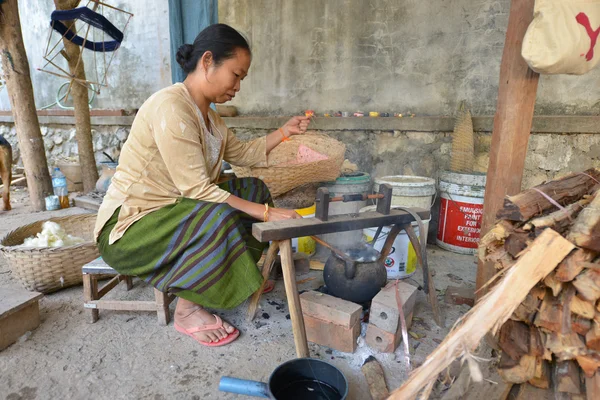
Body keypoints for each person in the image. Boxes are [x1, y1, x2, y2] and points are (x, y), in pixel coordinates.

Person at [94, 24, 310, 347]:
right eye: (235, 75)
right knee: (217, 213)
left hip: (174, 214)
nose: (238, 86)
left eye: (242, 79)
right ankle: (187, 308)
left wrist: (284, 132)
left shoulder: (211, 118)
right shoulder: (171, 107)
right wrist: (267, 214)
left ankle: (237, 273)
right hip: (130, 229)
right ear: (207, 61)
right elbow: (198, 190)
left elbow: (245, 153)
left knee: (253, 189)